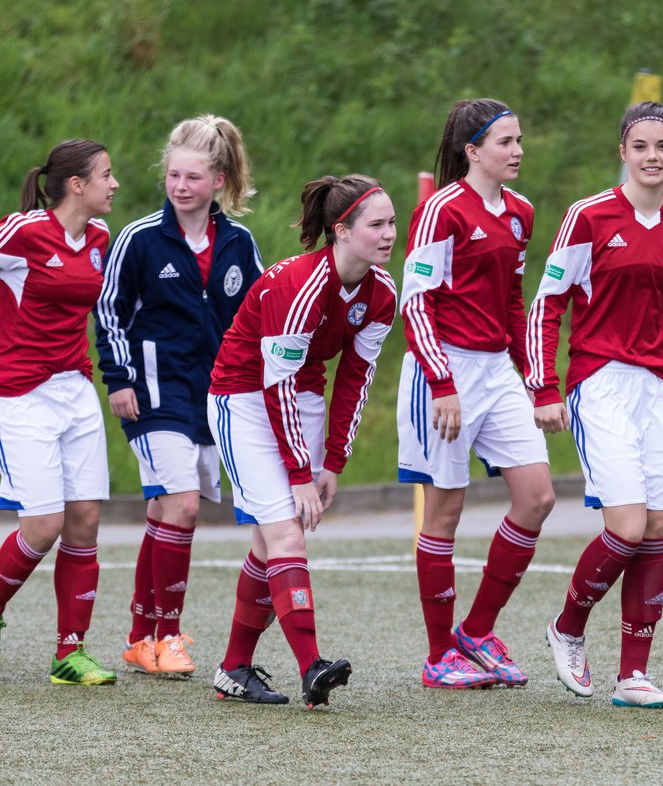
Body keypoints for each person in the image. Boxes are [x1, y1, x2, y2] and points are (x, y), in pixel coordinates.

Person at [527, 101, 663, 709]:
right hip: (600, 382)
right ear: (623, 152)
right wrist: (545, 387)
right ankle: (568, 627)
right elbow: (548, 303)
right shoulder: (587, 216)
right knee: (627, 527)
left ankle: (633, 675)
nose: (652, 156)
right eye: (640, 146)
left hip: (661, 388)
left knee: (656, 529)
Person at [206, 174, 397, 708]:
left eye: (391, 223)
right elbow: (275, 384)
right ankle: (311, 668)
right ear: (341, 231)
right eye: (376, 224)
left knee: (271, 544)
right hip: (243, 398)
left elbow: (355, 379)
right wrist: (298, 474)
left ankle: (233, 669)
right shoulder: (297, 285)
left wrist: (333, 461)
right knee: (288, 537)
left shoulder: (382, 293)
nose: (389, 234)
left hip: (300, 400)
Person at [95, 115, 262, 678]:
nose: (180, 185)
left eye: (193, 177)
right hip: (152, 396)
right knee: (184, 508)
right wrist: (117, 380)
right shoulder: (140, 239)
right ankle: (168, 637)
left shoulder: (239, 243)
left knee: (164, 510)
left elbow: (256, 317)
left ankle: (140, 637)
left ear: (218, 180)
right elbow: (110, 313)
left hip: (212, 399)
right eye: (173, 174)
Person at [398, 99, 556, 689]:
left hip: (497, 372)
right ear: (472, 151)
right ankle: (440, 656)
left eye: (520, 140)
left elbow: (515, 303)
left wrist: (537, 381)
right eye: (506, 142)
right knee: (446, 511)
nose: (517, 151)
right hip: (444, 370)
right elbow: (416, 301)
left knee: (537, 497)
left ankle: (476, 629)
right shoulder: (439, 211)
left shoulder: (521, 212)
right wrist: (442, 382)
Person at [0, 139, 119, 685]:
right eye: (106, 175)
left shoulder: (99, 238)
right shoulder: (21, 232)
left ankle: (69, 653)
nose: (114, 185)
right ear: (77, 185)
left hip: (77, 392)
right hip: (22, 395)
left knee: (85, 522)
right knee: (42, 525)